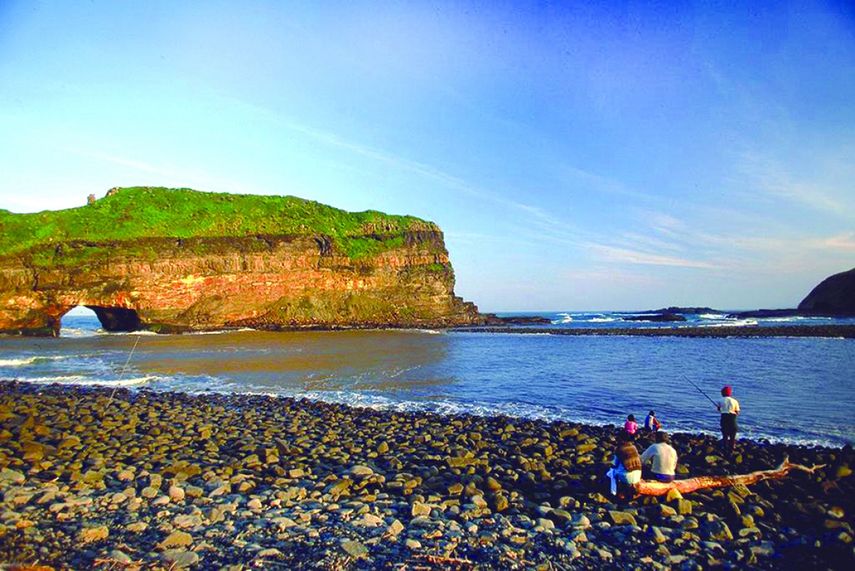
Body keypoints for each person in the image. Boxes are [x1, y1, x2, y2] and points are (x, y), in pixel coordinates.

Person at [606, 431, 642, 497]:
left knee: (610, 473)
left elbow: (615, 464)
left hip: (627, 477)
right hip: (638, 475)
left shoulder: (620, 448)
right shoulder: (633, 447)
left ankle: (613, 492)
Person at [717, 385, 740, 454]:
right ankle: (731, 450)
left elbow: (719, 410)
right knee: (732, 435)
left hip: (724, 418)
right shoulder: (735, 401)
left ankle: (725, 449)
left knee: (725, 435)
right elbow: (737, 412)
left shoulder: (720, 400)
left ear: (723, 393)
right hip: (732, 418)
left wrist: (720, 409)